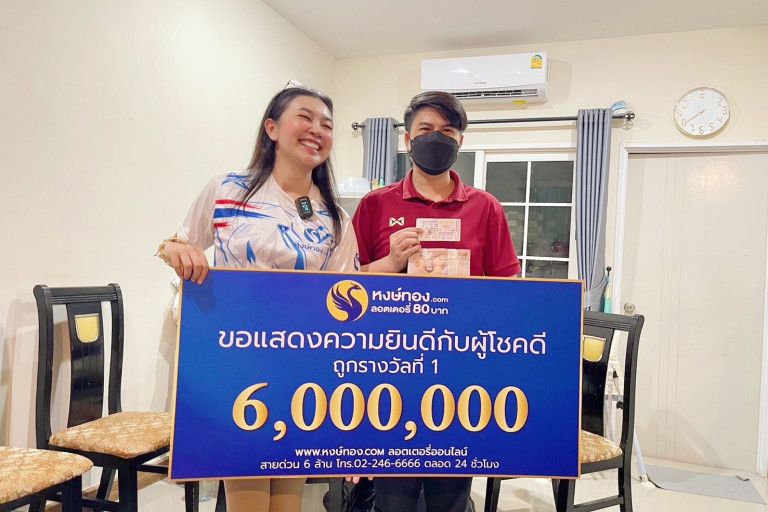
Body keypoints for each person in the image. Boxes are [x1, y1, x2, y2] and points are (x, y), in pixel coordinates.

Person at [157, 83, 359, 512]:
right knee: (246, 498)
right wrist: (179, 252)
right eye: (305, 117)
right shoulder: (227, 189)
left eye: (326, 124)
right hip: (237, 365)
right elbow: (175, 242)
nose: (317, 130)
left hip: (303, 370)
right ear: (272, 128)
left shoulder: (336, 217)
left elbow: (344, 296)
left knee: (288, 503)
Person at [351, 91, 521, 512]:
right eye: (425, 129)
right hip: (389, 369)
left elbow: (509, 289)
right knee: (393, 498)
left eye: (447, 130)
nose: (436, 137)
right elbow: (347, 286)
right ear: (408, 139)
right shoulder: (375, 205)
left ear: (460, 141)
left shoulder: (486, 208)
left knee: (451, 496)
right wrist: (390, 263)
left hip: (461, 372)